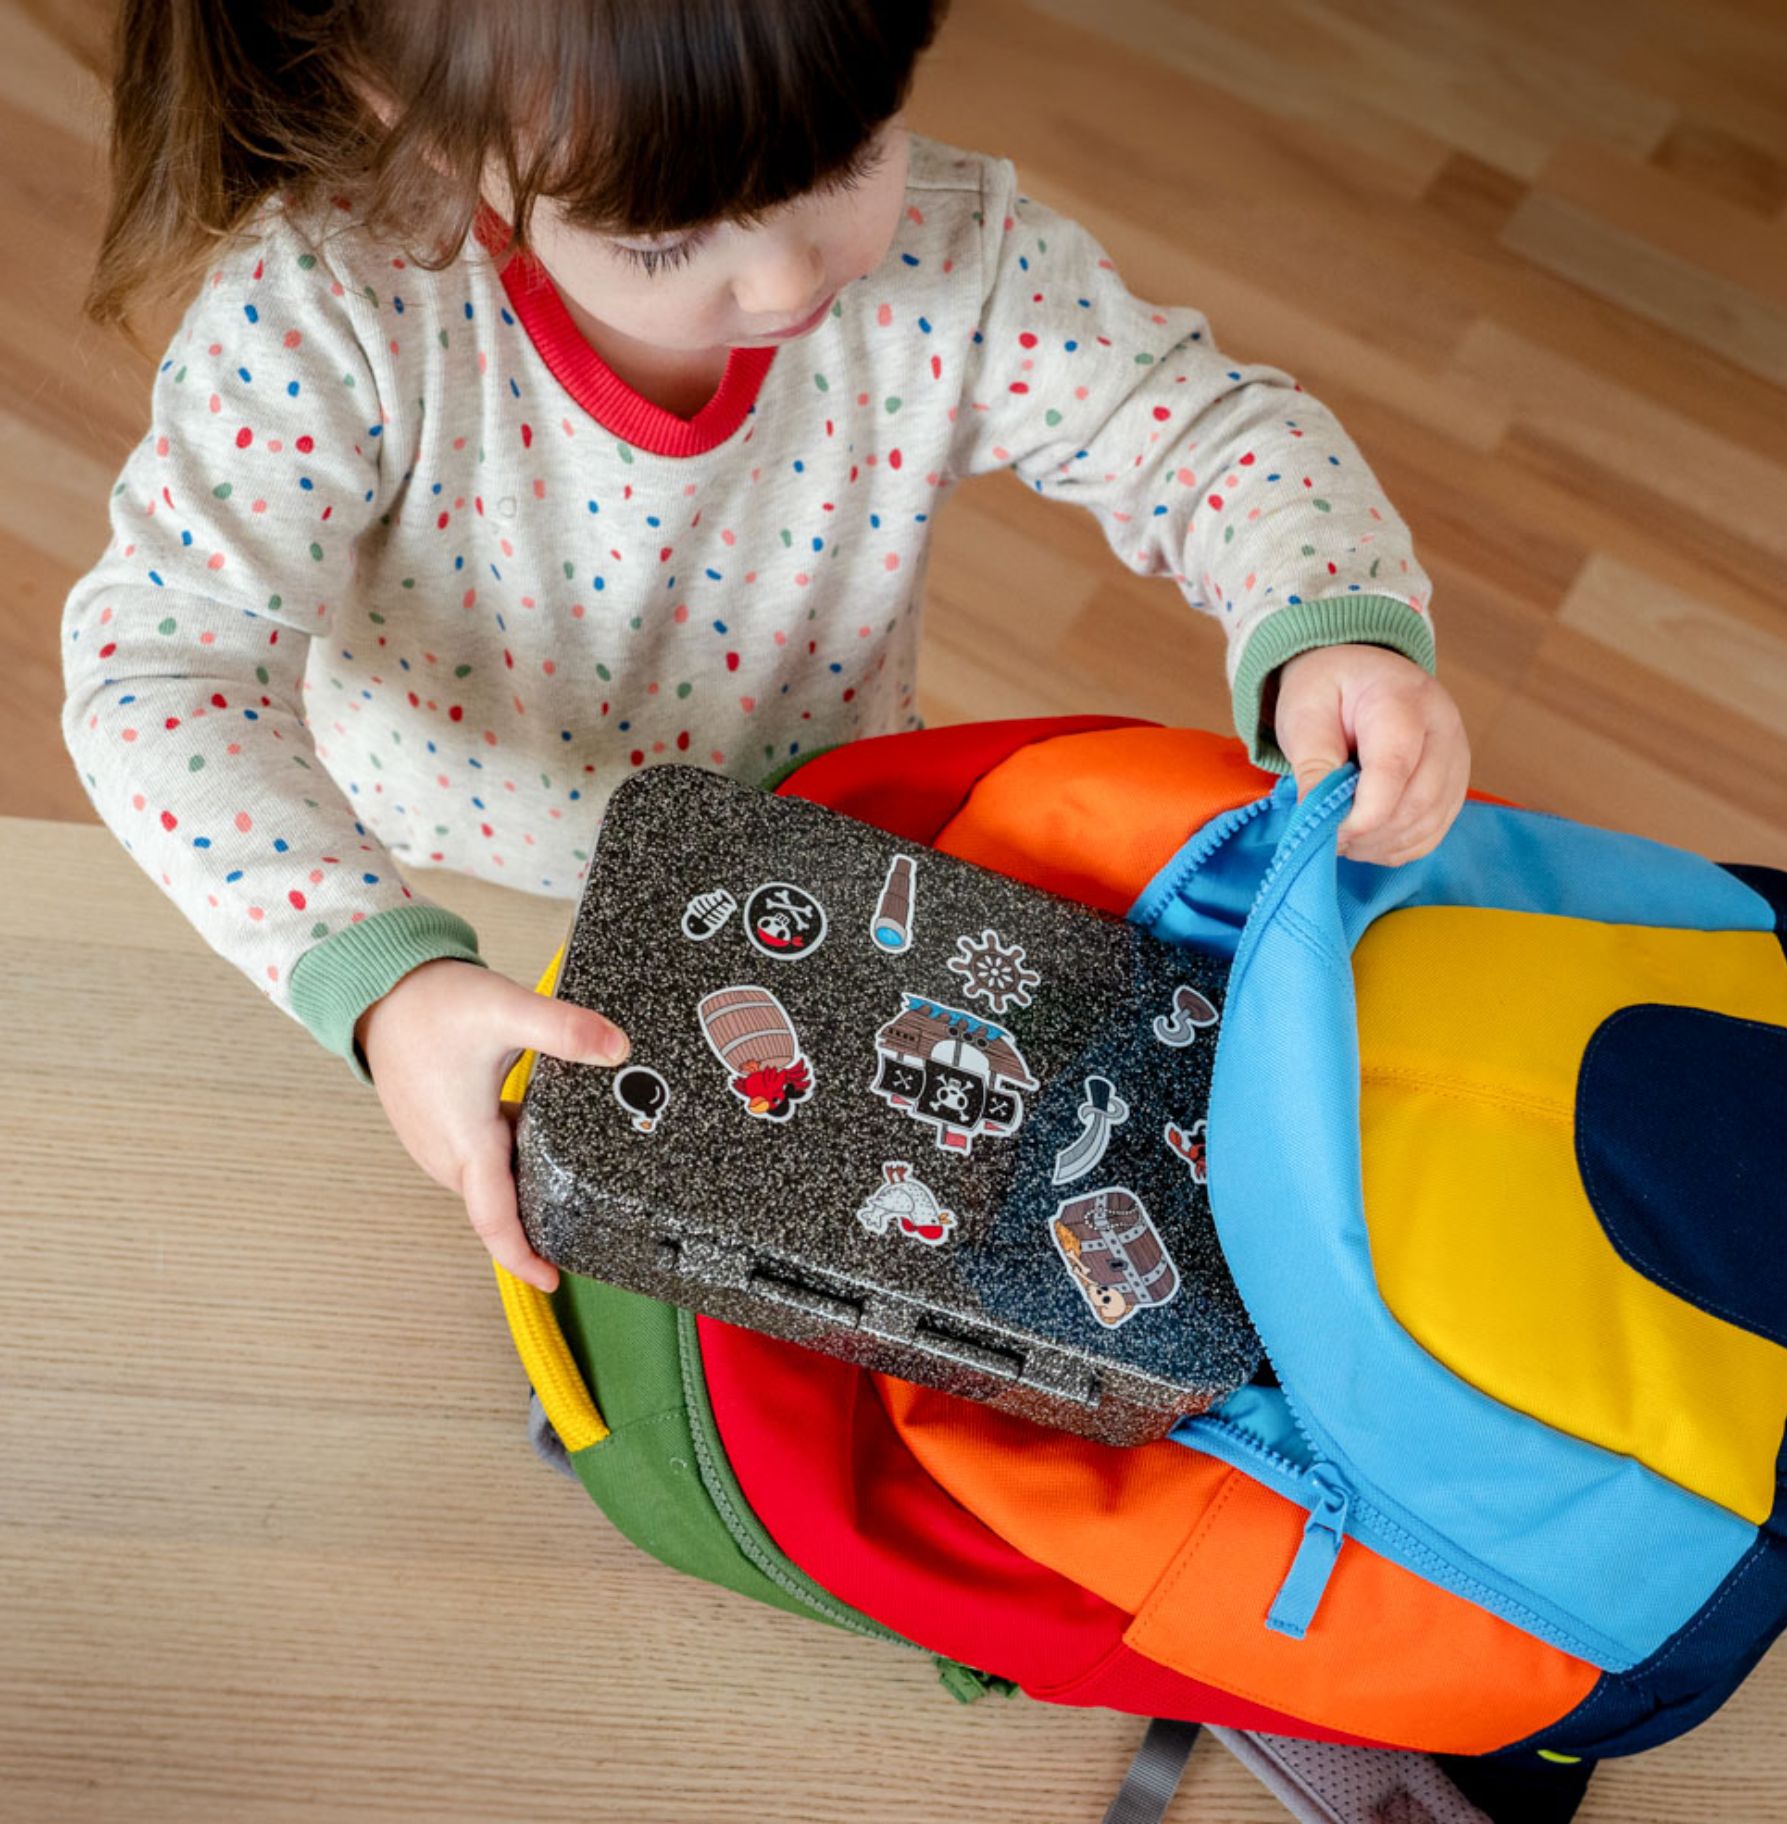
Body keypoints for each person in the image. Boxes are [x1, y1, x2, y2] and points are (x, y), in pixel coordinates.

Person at [60, 0, 1470, 1293]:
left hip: (811, 892)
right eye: (666, 241)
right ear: (416, 123)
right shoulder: (328, 315)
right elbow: (162, 675)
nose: (792, 271)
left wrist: (1329, 625)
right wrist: (388, 982)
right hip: (439, 891)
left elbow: (1210, 436)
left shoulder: (956, 259)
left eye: (847, 155)